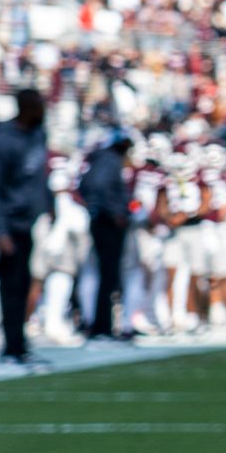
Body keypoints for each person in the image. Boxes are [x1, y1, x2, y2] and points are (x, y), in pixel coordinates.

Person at [0, 86, 53, 373]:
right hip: (9, 224)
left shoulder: (37, 135)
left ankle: (20, 345)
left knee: (24, 285)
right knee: (10, 287)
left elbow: (38, 178)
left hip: (29, 223)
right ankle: (10, 349)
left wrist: (48, 205)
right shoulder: (2, 141)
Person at [81, 127, 133, 341]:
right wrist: (115, 212)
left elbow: (85, 187)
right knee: (108, 275)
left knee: (106, 275)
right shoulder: (109, 160)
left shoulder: (101, 160)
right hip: (106, 223)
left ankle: (103, 325)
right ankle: (102, 327)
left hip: (101, 219)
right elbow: (99, 187)